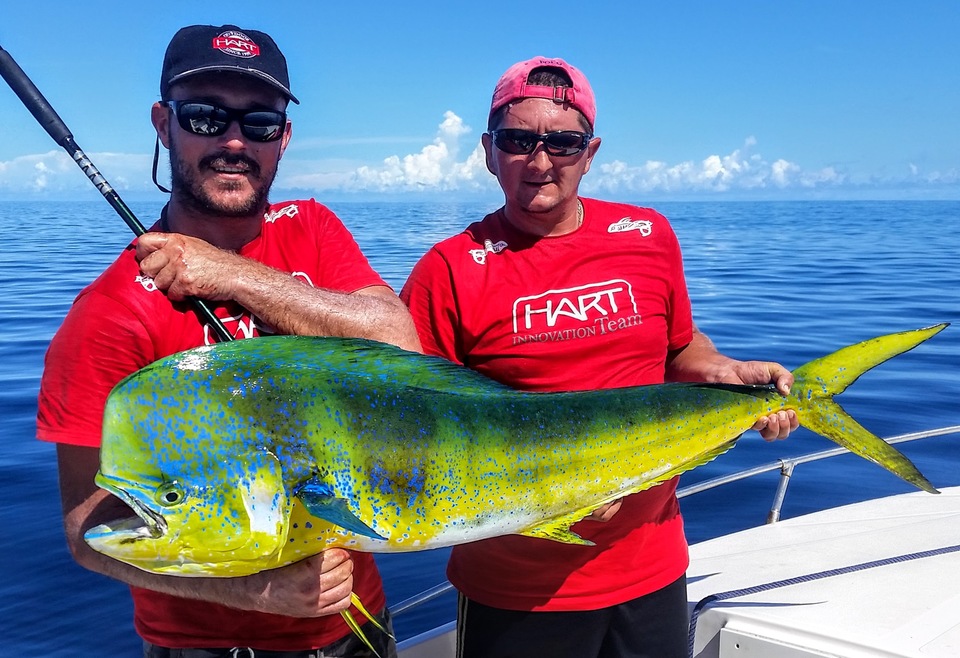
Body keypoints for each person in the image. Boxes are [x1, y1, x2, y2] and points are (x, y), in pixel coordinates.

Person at [36, 24, 419, 658]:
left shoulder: (315, 230)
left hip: (358, 627)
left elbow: (398, 344)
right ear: (164, 123)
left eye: (260, 123)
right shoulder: (109, 315)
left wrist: (228, 272)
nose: (234, 142)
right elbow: (88, 532)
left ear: (284, 139)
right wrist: (258, 593)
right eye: (207, 118)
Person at [400, 56, 799, 658]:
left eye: (562, 142)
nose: (540, 161)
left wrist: (726, 376)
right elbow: (421, 426)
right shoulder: (448, 270)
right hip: (516, 591)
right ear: (488, 150)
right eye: (517, 140)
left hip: (654, 567)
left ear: (590, 153)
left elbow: (681, 348)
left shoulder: (648, 234)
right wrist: (557, 490)